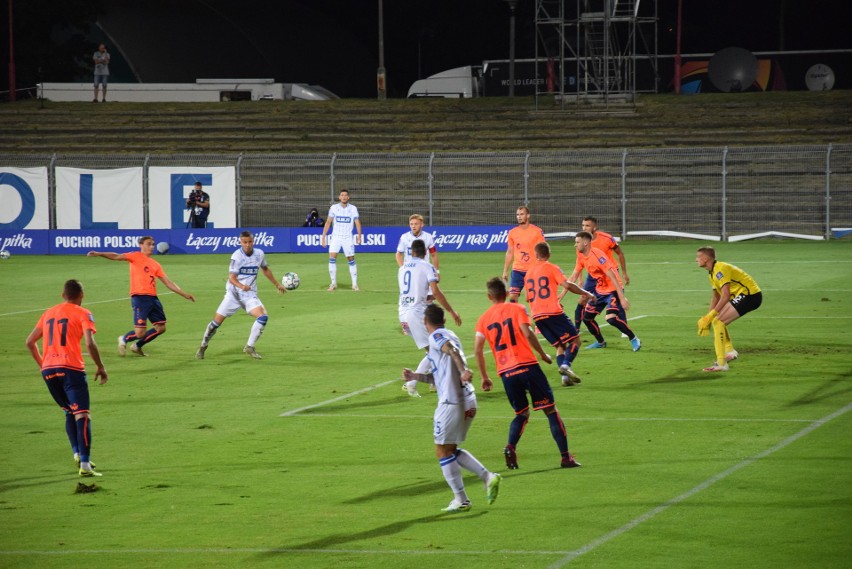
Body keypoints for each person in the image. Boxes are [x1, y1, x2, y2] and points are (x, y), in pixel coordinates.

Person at [474, 277, 581, 470]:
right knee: (550, 410)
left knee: (521, 413)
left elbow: (477, 350)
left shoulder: (483, 320)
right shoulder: (518, 309)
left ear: (489, 296)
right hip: (527, 365)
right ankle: (565, 457)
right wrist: (542, 354)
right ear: (507, 293)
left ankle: (510, 446)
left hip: (506, 372)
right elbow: (528, 332)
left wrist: (484, 377)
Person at [403, 304, 502, 512]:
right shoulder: (449, 333)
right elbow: (438, 376)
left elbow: (452, 350)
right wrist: (415, 377)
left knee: (442, 450)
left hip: (452, 403)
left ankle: (462, 499)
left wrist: (464, 370)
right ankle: (487, 477)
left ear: (424, 322)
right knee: (450, 449)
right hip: (468, 399)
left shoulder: (438, 337)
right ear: (444, 319)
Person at [25, 279, 108, 477]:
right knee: (82, 414)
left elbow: (29, 342)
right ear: (82, 296)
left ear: (63, 295)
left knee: (69, 411)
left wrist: (43, 365)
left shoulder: (48, 313)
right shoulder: (83, 313)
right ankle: (85, 465)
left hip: (49, 370)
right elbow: (89, 343)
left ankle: (77, 454)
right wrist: (100, 366)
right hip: (71, 368)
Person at [88, 236, 195, 356]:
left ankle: (137, 346)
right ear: (141, 245)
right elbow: (116, 256)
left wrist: (184, 294)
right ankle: (124, 338)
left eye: (153, 244)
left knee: (161, 328)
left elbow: (168, 282)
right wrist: (99, 253)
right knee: (139, 333)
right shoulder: (135, 256)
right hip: (140, 297)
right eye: (149, 244)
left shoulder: (155, 264)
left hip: (153, 298)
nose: (152, 246)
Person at [196, 230, 288, 360]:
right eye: (245, 242)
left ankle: (249, 347)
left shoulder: (259, 254)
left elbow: (265, 269)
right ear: (240, 242)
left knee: (263, 317)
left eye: (250, 242)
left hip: (249, 295)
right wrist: (241, 286)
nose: (248, 245)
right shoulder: (236, 256)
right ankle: (203, 346)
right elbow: (232, 278)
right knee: (215, 324)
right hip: (233, 294)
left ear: (253, 241)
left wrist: (277, 284)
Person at [525, 242, 596, 386]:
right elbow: (568, 285)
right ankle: (566, 366)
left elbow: (528, 297)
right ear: (549, 255)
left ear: (536, 254)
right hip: (553, 313)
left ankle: (565, 379)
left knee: (560, 346)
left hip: (537, 316)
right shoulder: (552, 268)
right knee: (575, 341)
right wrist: (586, 293)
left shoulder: (528, 274)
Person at [399, 239, 462, 397]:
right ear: (425, 253)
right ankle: (412, 383)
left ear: (411, 252)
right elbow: (435, 291)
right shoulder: (427, 266)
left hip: (403, 313)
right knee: (435, 349)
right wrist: (452, 311)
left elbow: (411, 292)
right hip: (417, 313)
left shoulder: (402, 268)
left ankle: (433, 382)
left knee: (434, 349)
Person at [695, 246, 762, 372]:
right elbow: (716, 297)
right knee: (717, 320)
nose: (696, 260)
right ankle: (730, 351)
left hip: (750, 295)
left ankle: (721, 364)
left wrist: (711, 317)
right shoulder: (712, 272)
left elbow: (725, 296)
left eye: (698, 257)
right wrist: (708, 317)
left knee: (718, 322)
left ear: (705, 258)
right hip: (743, 295)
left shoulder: (720, 269)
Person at [574, 231, 641, 352]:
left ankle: (633, 338)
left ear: (585, 243)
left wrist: (622, 298)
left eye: (577, 242)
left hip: (613, 289)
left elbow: (613, 277)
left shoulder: (598, 256)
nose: (575, 245)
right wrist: (560, 295)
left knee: (611, 318)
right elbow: (573, 276)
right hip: (600, 290)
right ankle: (600, 342)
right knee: (587, 318)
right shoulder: (581, 255)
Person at [568, 216, 629, 330]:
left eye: (587, 226)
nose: (584, 228)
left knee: (615, 299)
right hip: (593, 275)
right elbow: (580, 262)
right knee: (583, 298)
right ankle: (576, 329)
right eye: (583, 225)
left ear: (594, 227)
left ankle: (624, 327)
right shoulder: (580, 242)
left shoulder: (607, 238)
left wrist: (624, 273)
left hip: (609, 273)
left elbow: (620, 253)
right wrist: (580, 279)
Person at [502, 206, 546, 303]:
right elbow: (510, 252)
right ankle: (517, 318)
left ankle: (533, 317)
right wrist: (505, 270)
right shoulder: (512, 233)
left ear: (528, 216)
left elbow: (543, 251)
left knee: (530, 299)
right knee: (513, 297)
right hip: (517, 270)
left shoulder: (537, 232)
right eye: (517, 214)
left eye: (522, 214)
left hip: (532, 270)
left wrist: (543, 267)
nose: (519, 217)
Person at [321, 189, 362, 291]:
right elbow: (328, 222)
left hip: (348, 237)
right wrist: (323, 237)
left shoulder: (353, 209)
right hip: (336, 237)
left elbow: (357, 223)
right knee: (332, 258)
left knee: (351, 259)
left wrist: (359, 236)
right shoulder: (334, 208)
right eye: (342, 195)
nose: (344, 197)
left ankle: (354, 284)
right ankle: (333, 283)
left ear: (348, 197)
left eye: (345, 195)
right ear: (339, 197)